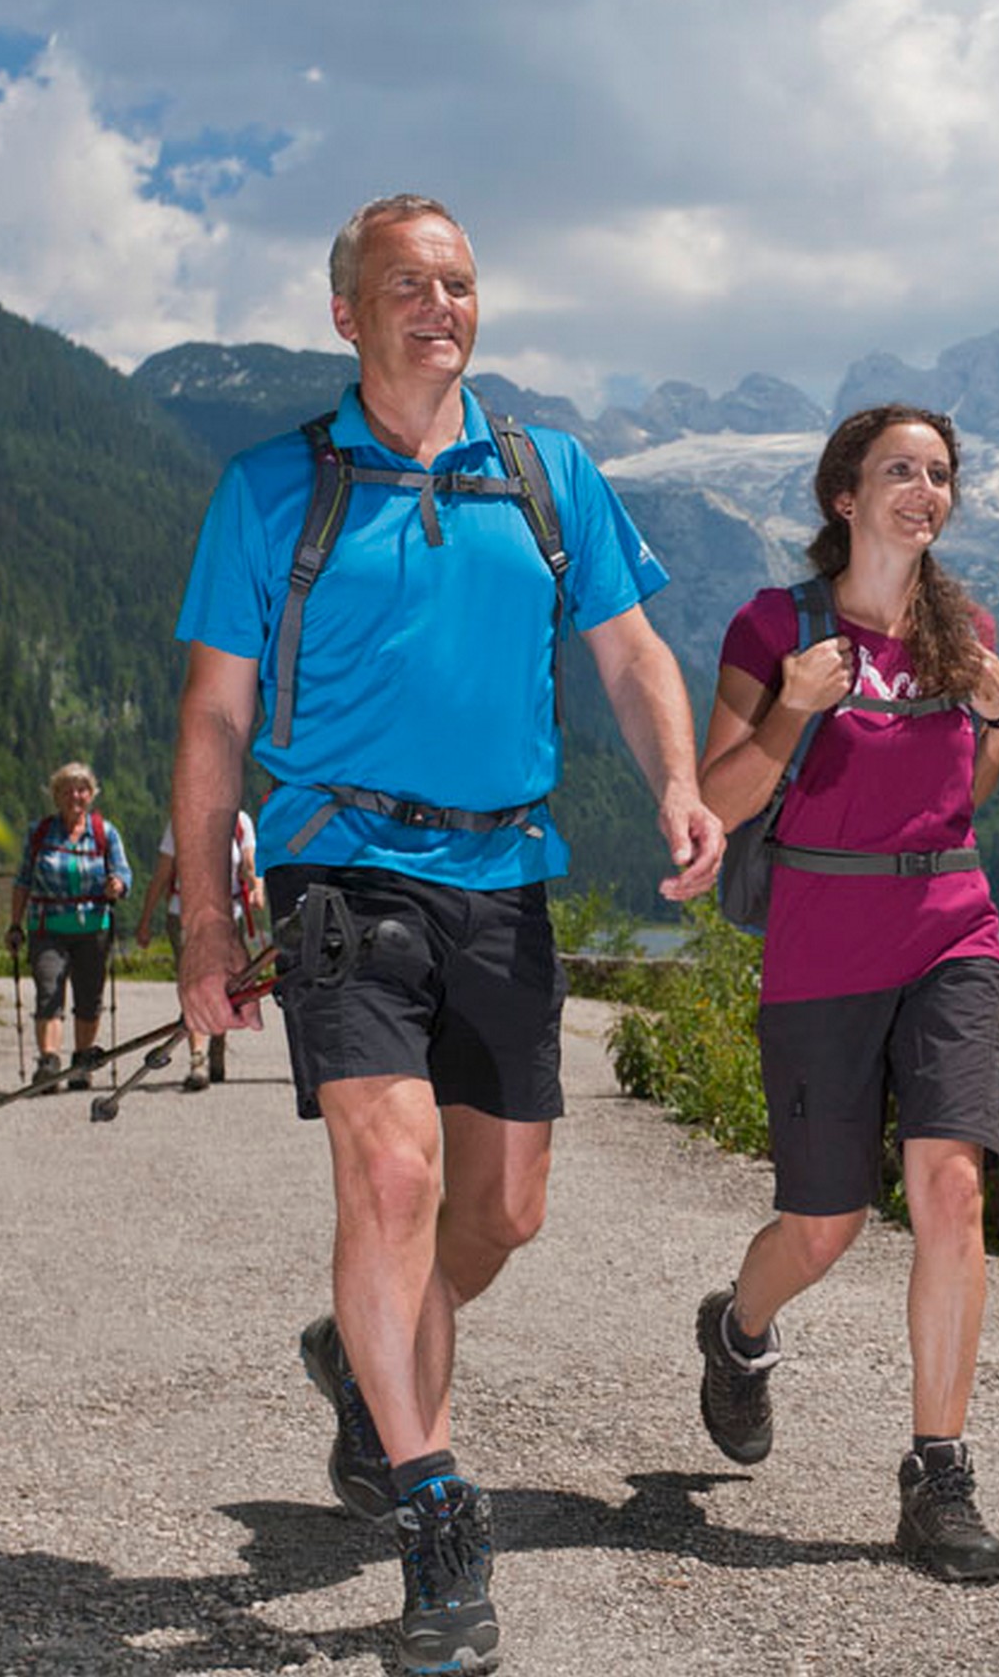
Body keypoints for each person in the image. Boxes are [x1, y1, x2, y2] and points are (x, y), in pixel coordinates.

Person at [168, 193, 721, 1677]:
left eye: (461, 282)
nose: (441, 304)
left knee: (503, 1213)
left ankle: (358, 1352)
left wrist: (677, 776)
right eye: (408, 283)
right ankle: (435, 1521)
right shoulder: (272, 489)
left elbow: (629, 649)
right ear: (346, 312)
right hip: (339, 865)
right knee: (393, 1176)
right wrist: (209, 918)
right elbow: (215, 714)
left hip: (507, 876)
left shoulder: (549, 478)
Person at [690, 403, 999, 1582]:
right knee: (825, 1226)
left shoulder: (963, 629)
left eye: (939, 474)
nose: (923, 490)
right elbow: (717, 801)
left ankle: (938, 1473)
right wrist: (793, 704)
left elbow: (962, 791)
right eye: (899, 470)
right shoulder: (771, 626)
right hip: (822, 949)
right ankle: (736, 1332)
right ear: (845, 495)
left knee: (949, 1189)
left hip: (951, 929)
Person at [8, 762, 133, 1090]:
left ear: (91, 795)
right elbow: (23, 881)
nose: (74, 796)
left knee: (89, 998)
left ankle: (82, 1062)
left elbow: (123, 873)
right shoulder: (40, 833)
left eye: (81, 789)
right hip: (47, 928)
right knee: (48, 992)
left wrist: (116, 886)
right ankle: (49, 1063)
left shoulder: (105, 832)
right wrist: (14, 924)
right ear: (56, 795)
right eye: (67, 790)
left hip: (93, 928)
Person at [135, 806, 264, 1089]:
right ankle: (198, 1059)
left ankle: (216, 1049)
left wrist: (255, 886)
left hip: (231, 915)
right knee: (197, 981)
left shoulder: (241, 822)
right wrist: (145, 920)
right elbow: (162, 873)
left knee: (229, 987)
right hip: (184, 915)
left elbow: (250, 862)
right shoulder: (180, 819)